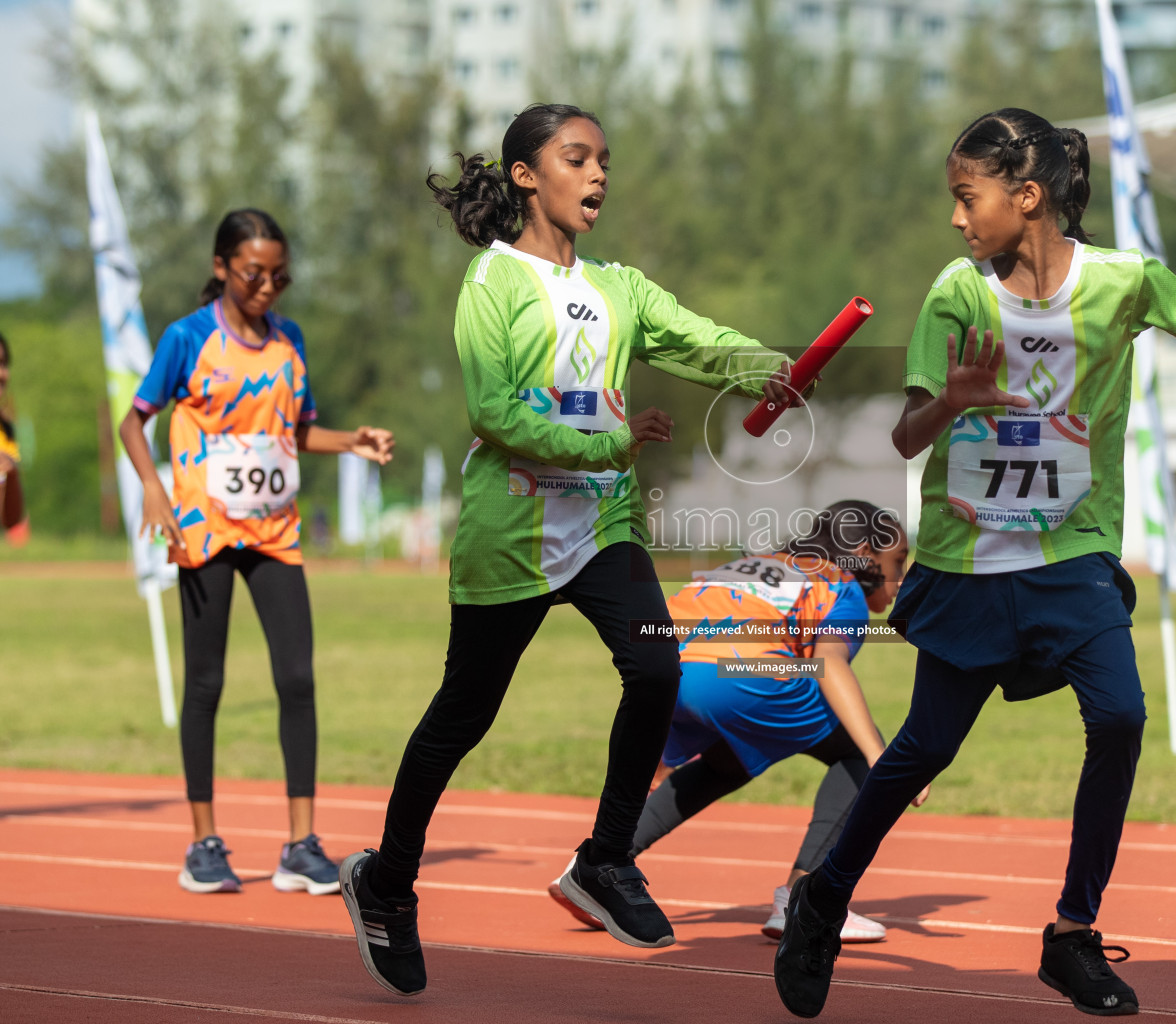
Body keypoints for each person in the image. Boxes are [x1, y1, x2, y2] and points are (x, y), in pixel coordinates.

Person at [773, 108, 1176, 1019]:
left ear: (1027, 196)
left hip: (1071, 555)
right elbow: (904, 432)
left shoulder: (1122, 281)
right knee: (924, 749)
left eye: (969, 198)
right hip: (968, 560)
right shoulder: (957, 296)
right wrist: (952, 400)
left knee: (1120, 716)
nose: (958, 219)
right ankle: (824, 895)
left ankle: (1072, 934)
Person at [338, 103, 802, 998]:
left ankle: (605, 861)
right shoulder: (494, 281)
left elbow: (697, 338)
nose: (597, 176)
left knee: (656, 671)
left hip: (602, 527)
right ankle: (387, 882)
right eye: (576, 158)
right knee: (462, 718)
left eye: (604, 163)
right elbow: (496, 415)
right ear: (525, 176)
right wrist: (611, 446)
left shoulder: (620, 286)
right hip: (508, 537)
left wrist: (762, 362)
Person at [119, 209, 395, 897]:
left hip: (274, 531)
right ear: (221, 269)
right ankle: (202, 844)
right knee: (207, 684)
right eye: (253, 274)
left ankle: (301, 845)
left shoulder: (289, 340)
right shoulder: (187, 339)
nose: (268, 287)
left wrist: (352, 441)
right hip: (204, 529)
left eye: (279, 276)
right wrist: (153, 491)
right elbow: (134, 421)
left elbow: (297, 433)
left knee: (297, 680)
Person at [547, 500, 924, 944]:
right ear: (863, 553)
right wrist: (880, 755)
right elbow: (829, 662)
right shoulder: (841, 585)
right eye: (897, 561)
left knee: (727, 762)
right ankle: (804, 901)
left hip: (672, 672)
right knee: (859, 752)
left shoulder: (750, 562)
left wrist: (662, 746)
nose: (900, 578)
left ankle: (597, 864)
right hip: (743, 676)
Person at [0, 331, 26, 539]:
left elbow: (11, 519)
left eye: (3, 363)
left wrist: (13, 474)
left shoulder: (5, 430)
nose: (1, 373)